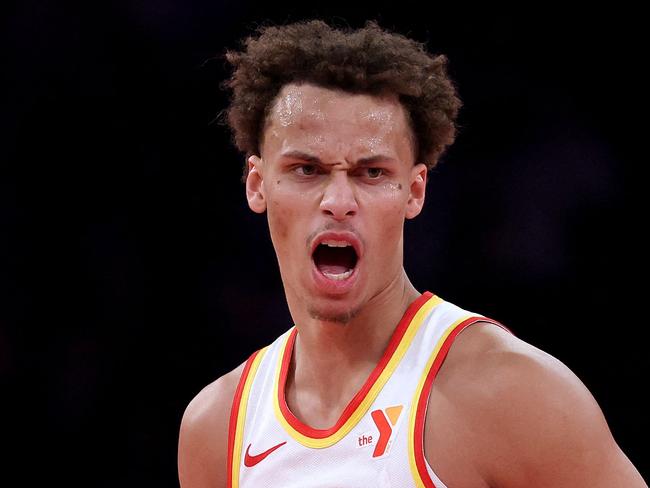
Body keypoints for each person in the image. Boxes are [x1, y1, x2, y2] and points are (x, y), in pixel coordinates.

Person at [177, 20, 646, 488]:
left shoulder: (510, 392)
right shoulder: (217, 427)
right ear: (258, 185)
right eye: (306, 169)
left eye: (371, 173)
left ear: (414, 191)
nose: (338, 201)